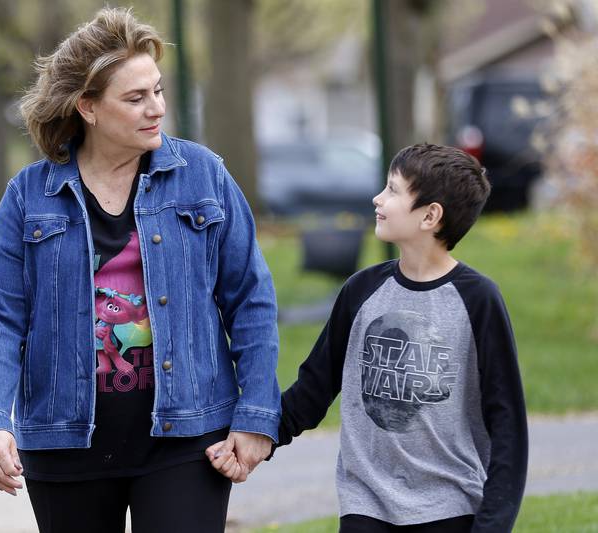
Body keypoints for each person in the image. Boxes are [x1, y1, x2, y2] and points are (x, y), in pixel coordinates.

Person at [0, 7, 280, 533]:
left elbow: (251, 298)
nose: (155, 108)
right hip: (64, 441)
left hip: (188, 437)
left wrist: (256, 417)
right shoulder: (29, 196)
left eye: (157, 91)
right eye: (135, 98)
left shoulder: (203, 175)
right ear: (87, 107)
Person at [208, 143, 528, 532]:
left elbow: (507, 424)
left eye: (393, 190)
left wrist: (493, 525)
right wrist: (258, 437)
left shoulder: (478, 300)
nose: (378, 198)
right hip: (366, 504)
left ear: (430, 215)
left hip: (449, 507)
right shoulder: (361, 290)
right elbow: (314, 388)